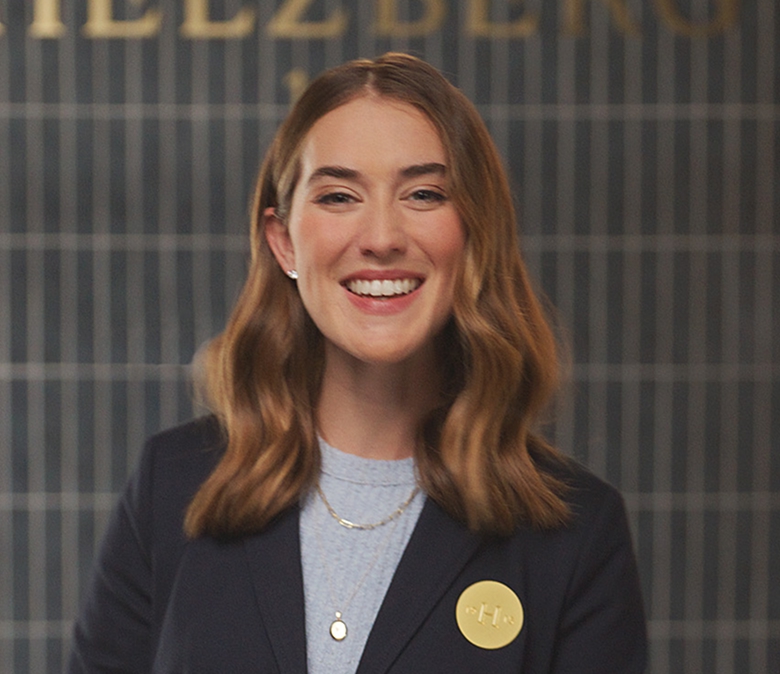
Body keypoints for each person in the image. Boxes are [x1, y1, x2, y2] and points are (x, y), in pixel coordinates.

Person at [68, 53, 647, 673]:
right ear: (284, 240)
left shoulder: (577, 533)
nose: (381, 236)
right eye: (339, 196)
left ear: (475, 233)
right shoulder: (175, 485)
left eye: (424, 194)